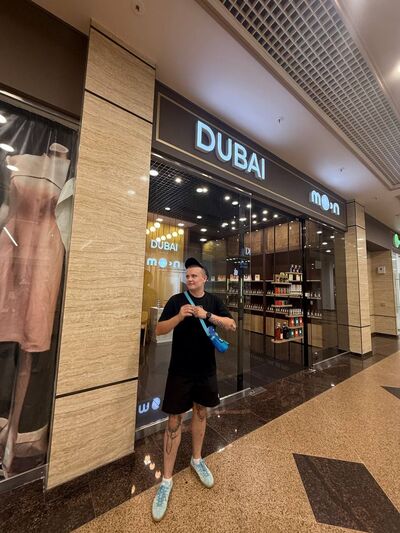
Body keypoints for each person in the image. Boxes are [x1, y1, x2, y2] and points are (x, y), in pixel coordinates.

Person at [151, 257, 236, 522]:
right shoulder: (177, 300)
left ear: (204, 279)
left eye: (194, 276)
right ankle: (166, 480)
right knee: (173, 421)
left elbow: (231, 324)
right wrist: (180, 316)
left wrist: (206, 315)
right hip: (179, 372)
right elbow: (158, 329)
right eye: (187, 276)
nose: (189, 279)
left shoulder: (213, 301)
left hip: (206, 371)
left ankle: (197, 460)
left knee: (201, 413)